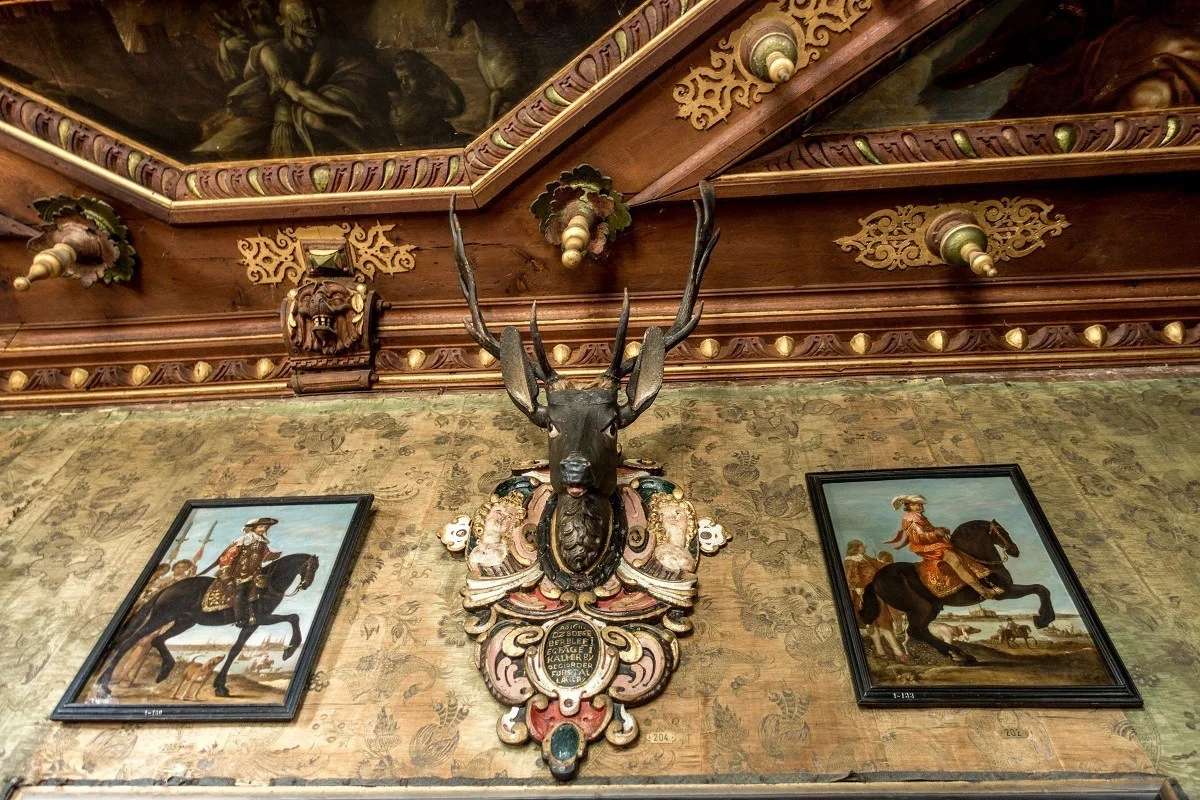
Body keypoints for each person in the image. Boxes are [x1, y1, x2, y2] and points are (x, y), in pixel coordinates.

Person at [194, 0, 387, 158]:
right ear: (282, 21)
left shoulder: (319, 46)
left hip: (316, 119)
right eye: (304, 23)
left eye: (312, 20)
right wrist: (349, 113)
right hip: (284, 127)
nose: (312, 27)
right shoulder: (269, 52)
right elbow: (299, 95)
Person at [887, 495, 1001, 599]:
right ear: (909, 507)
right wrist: (936, 533)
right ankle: (984, 592)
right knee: (956, 561)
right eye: (916, 504)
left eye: (920, 504)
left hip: (934, 544)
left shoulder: (918, 516)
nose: (919, 506)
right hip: (928, 548)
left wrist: (939, 529)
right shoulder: (911, 518)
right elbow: (918, 538)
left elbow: (927, 530)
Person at [201, 518, 282, 627]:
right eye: (261, 527)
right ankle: (239, 619)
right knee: (242, 591)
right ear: (254, 528)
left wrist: (275, 555)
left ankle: (257, 613)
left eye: (265, 527)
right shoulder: (243, 540)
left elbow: (264, 556)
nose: (263, 529)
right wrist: (226, 573)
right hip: (239, 573)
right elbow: (227, 557)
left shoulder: (262, 543)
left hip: (254, 573)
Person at [843, 541, 907, 660]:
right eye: (862, 546)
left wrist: (889, 566)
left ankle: (886, 651)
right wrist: (856, 586)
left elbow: (877, 564)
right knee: (874, 623)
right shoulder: (851, 560)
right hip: (865, 594)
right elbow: (851, 576)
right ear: (856, 548)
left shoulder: (865, 557)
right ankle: (891, 651)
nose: (865, 547)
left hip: (875, 591)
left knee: (880, 622)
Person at [468, 493, 527, 576]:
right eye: (498, 512)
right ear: (485, 515)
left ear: (511, 527)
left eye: (509, 517)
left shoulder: (507, 550)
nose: (502, 518)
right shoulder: (476, 551)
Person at [646, 493, 698, 577]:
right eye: (664, 516)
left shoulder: (688, 554)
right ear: (658, 523)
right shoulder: (659, 552)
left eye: (678, 513)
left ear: (689, 521)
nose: (672, 518)